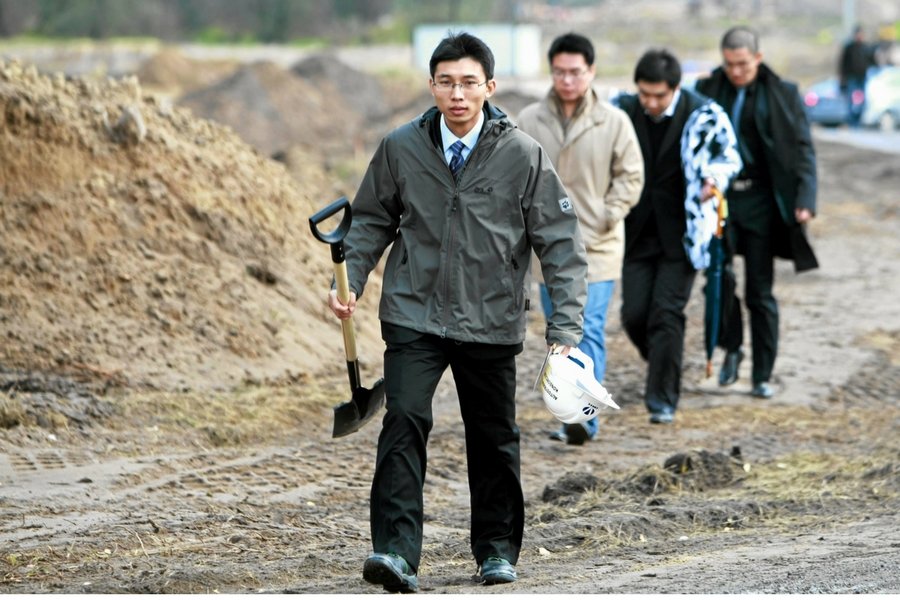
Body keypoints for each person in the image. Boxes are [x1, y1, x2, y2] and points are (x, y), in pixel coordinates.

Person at [326, 32, 587, 592]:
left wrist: (564, 328)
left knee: (492, 436)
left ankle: (495, 550)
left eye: (469, 82)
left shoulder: (521, 153)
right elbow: (371, 221)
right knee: (404, 420)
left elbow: (560, 244)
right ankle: (395, 552)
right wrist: (346, 278)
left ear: (489, 88)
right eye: (446, 82)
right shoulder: (402, 147)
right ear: (432, 86)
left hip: (490, 320)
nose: (457, 93)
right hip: (414, 313)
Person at [517, 32, 643, 445]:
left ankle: (582, 419)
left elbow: (631, 175)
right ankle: (568, 410)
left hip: (598, 246)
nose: (567, 80)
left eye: (575, 72)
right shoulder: (530, 120)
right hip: (549, 249)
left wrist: (609, 213)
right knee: (559, 333)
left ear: (590, 72)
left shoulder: (614, 121)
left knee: (587, 329)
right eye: (559, 72)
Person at [614, 49, 741, 424]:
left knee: (666, 313)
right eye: (644, 94)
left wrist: (712, 179)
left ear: (675, 88)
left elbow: (730, 156)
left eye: (658, 95)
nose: (650, 103)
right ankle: (664, 362)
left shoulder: (705, 114)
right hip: (635, 232)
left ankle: (662, 400)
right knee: (634, 315)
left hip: (684, 234)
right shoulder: (620, 111)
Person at [696, 25, 818, 400]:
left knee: (759, 292)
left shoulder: (783, 94)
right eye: (730, 64)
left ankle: (762, 374)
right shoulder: (705, 91)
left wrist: (806, 198)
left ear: (758, 58)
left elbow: (802, 148)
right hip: (720, 201)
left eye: (743, 64)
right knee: (719, 281)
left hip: (763, 204)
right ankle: (733, 347)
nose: (736, 71)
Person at [838, 25, 874, 127]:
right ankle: (851, 120)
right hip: (851, 77)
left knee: (863, 100)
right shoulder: (849, 48)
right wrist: (842, 77)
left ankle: (858, 119)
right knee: (850, 99)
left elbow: (871, 61)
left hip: (862, 77)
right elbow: (843, 63)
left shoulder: (865, 47)